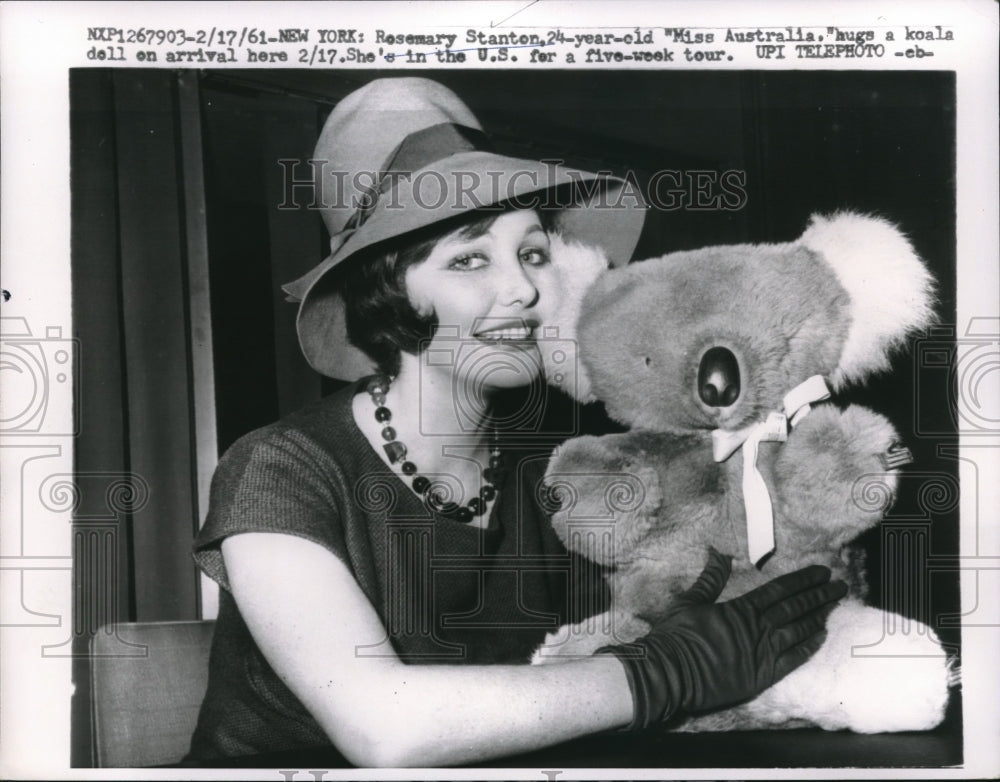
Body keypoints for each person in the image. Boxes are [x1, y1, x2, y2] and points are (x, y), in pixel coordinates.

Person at [187, 78, 847, 767]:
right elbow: (382, 729)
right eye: (470, 259)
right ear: (387, 291)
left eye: (532, 253)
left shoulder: (560, 467)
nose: (527, 290)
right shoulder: (279, 467)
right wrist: (663, 672)